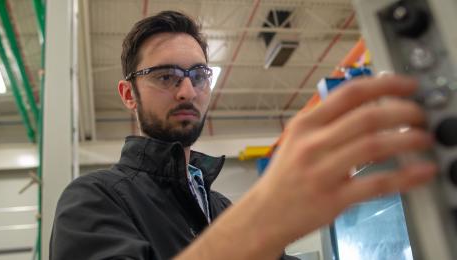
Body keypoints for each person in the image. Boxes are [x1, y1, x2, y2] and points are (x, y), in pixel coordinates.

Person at [50, 10, 436, 260]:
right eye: (165, 76)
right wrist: (260, 220)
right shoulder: (93, 200)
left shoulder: (219, 207)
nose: (186, 92)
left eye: (198, 75)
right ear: (127, 94)